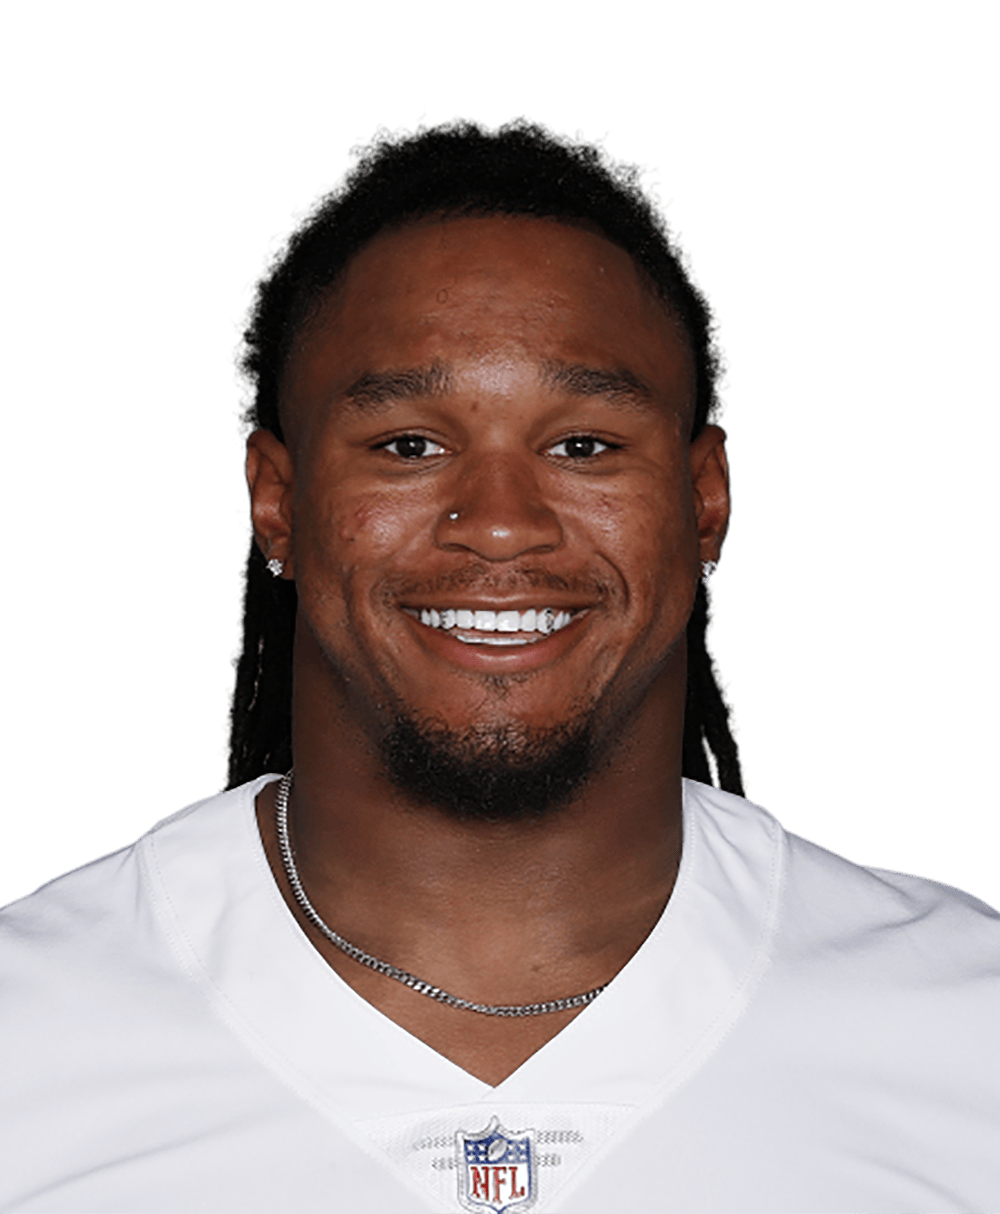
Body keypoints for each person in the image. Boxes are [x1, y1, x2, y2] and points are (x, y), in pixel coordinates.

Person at [1, 115, 997, 1214]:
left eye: (582, 445)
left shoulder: (967, 1029)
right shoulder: (29, 1035)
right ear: (278, 504)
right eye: (408, 446)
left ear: (703, 499)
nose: (501, 526)